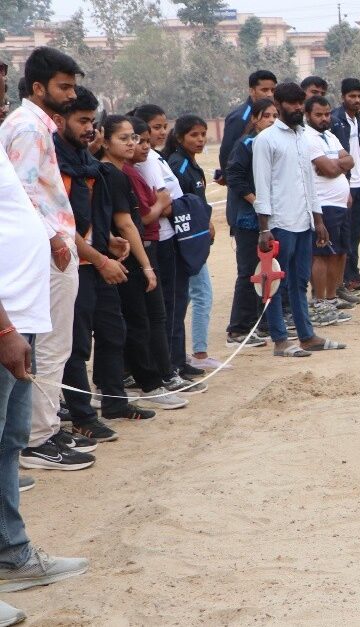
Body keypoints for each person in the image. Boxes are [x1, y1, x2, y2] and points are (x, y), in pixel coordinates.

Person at [0, 130, 90, 622]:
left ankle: (11, 554)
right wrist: (4, 328)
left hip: (20, 320)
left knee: (10, 440)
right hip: (6, 325)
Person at [0, 47, 82, 469]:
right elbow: (24, 194)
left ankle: (42, 429)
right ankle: (37, 437)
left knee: (50, 346)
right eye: (63, 87)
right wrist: (54, 240)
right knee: (49, 347)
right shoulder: (28, 128)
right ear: (37, 87)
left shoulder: (33, 125)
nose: (72, 95)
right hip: (47, 252)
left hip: (52, 245)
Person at [48, 88, 127, 456]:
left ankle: (114, 401)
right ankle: (81, 416)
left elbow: (90, 214)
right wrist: (99, 258)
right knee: (75, 345)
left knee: (113, 330)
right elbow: (61, 227)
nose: (90, 129)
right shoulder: (52, 166)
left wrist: (108, 240)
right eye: (82, 121)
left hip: (97, 260)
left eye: (92, 121)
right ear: (60, 121)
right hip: (71, 265)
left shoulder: (87, 163)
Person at [253, 83, 341, 357]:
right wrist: (264, 228)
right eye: (291, 103)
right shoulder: (266, 140)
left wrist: (319, 220)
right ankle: (280, 340)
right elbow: (262, 186)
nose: (297, 108)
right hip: (280, 222)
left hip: (304, 221)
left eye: (300, 103)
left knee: (300, 281)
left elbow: (309, 183)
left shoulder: (304, 137)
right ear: (278, 105)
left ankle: (307, 336)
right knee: (275, 283)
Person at [116, 117, 189, 413]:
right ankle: (156, 378)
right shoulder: (124, 175)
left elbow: (166, 205)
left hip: (149, 245)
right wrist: (160, 203)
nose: (140, 146)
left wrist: (161, 203)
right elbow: (143, 217)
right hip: (140, 249)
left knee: (154, 315)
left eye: (142, 140)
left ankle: (159, 373)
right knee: (147, 318)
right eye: (133, 139)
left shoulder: (133, 171)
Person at [163, 115, 218, 371]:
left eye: (203, 134)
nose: (200, 139)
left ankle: (177, 351)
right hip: (186, 242)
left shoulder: (191, 164)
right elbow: (178, 206)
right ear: (179, 137)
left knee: (184, 296)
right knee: (202, 294)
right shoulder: (179, 166)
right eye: (194, 135)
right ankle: (199, 353)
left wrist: (207, 222)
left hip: (195, 239)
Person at [223, 99, 277, 345]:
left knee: (266, 271)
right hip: (247, 219)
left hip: (268, 218)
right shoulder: (246, 144)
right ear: (255, 119)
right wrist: (257, 203)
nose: (272, 120)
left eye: (275, 116)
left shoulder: (273, 143)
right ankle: (238, 329)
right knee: (247, 272)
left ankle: (261, 322)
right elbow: (234, 176)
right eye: (266, 116)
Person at [302, 95, 355, 326]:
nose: (324, 119)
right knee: (322, 255)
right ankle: (319, 302)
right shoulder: (307, 137)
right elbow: (331, 169)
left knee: (339, 252)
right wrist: (337, 165)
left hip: (340, 203)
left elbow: (349, 161)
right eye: (318, 115)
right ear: (307, 115)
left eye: (327, 114)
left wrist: (336, 165)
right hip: (322, 205)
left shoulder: (330, 136)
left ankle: (332, 299)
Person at [330, 78, 360, 291]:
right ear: (343, 97)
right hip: (344, 186)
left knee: (356, 232)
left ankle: (353, 273)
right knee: (343, 235)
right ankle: (343, 279)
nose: (357, 100)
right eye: (352, 96)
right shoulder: (335, 120)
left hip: (358, 184)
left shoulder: (358, 120)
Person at [217, 69, 277, 184]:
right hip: (245, 185)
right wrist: (231, 181)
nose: (270, 94)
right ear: (252, 91)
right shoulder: (240, 117)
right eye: (264, 90)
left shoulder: (275, 114)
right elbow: (227, 152)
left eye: (273, 90)